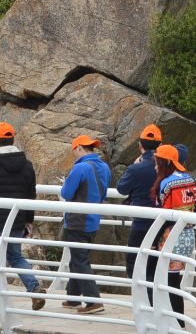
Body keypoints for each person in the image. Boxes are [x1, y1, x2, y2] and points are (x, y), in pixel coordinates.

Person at [0, 122, 44, 312]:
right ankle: (33, 287)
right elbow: (31, 196)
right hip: (17, 221)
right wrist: (28, 220)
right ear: (12, 140)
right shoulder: (27, 165)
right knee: (15, 256)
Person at [150, 143, 196, 318]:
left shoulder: (167, 184)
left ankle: (176, 322)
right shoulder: (192, 180)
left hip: (170, 238)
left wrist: (153, 241)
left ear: (165, 162)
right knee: (174, 280)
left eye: (157, 162)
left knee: (169, 282)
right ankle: (177, 321)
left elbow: (165, 217)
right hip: (188, 236)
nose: (155, 166)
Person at [59, 134, 110, 313]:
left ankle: (93, 301)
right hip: (93, 219)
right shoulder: (104, 167)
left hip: (77, 221)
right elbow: (103, 193)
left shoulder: (80, 168)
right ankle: (73, 298)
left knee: (80, 261)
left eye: (74, 150)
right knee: (78, 258)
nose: (74, 154)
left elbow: (66, 193)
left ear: (79, 148)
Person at [116, 124, 163, 279]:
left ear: (139, 145)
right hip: (162, 223)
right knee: (155, 263)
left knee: (134, 261)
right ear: (160, 145)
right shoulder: (167, 167)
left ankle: (139, 290)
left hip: (141, 223)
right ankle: (152, 291)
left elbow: (122, 189)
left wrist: (134, 165)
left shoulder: (136, 169)